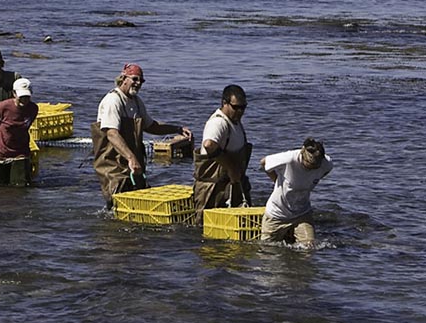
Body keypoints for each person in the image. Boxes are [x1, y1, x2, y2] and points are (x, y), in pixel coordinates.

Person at [91, 63, 193, 209]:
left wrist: (177, 129)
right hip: (113, 163)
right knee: (117, 201)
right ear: (123, 78)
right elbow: (112, 134)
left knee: (139, 201)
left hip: (134, 163)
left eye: (141, 81)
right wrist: (131, 158)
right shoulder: (112, 101)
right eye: (135, 79)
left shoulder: (137, 102)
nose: (138, 84)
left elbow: (151, 126)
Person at [192, 84, 253, 223]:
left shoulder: (236, 123)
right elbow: (209, 145)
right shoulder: (218, 123)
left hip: (233, 184)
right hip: (213, 188)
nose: (240, 111)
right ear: (224, 103)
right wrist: (231, 168)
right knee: (207, 228)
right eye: (236, 107)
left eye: (243, 107)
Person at [259, 138, 333, 247]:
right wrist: (277, 181)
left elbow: (326, 170)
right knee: (267, 249)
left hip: (302, 213)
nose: (311, 169)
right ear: (303, 156)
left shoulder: (325, 163)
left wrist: (312, 180)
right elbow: (264, 162)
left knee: (309, 248)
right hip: (277, 213)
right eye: (309, 165)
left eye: (315, 167)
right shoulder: (289, 159)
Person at [0, 77, 39, 186]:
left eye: (27, 97)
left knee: (21, 188)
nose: (25, 100)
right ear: (14, 94)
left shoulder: (33, 109)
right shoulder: (3, 107)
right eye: (21, 97)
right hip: (0, 152)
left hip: (20, 152)